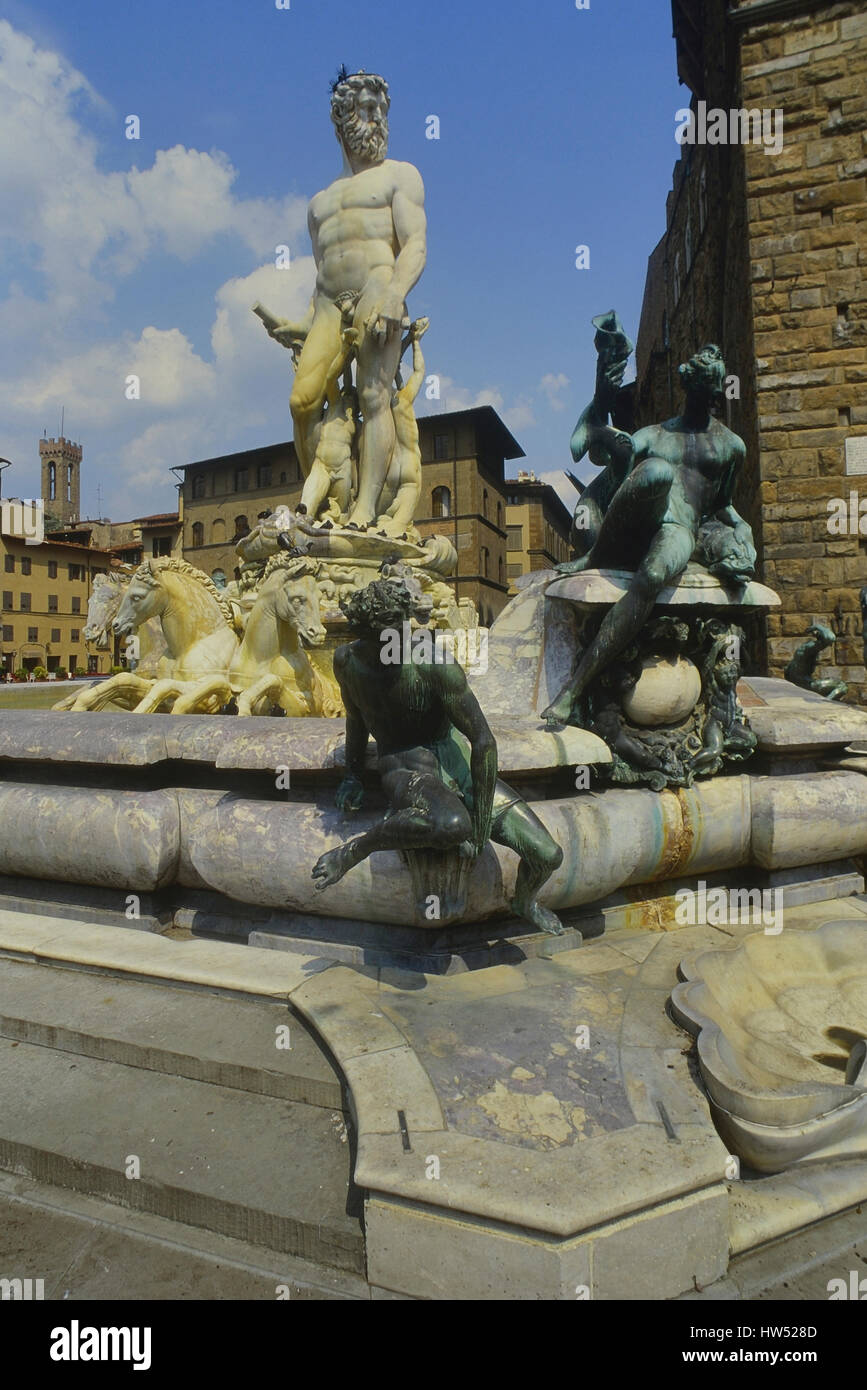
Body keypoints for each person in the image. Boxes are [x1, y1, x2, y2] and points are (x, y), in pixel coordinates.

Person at [312, 579, 564, 934]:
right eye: (383, 638)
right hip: (405, 767)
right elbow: (356, 717)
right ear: (360, 634)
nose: (393, 645)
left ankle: (524, 901)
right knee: (451, 825)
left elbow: (483, 741)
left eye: (399, 634)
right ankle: (352, 852)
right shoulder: (346, 662)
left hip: (455, 762)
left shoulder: (432, 663)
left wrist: (480, 826)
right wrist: (353, 774)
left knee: (547, 855)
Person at [543, 344, 756, 727]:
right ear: (689, 387)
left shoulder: (731, 446)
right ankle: (596, 558)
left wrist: (743, 530)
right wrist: (599, 405)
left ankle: (573, 689)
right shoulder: (654, 435)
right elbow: (601, 459)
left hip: (679, 528)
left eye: (717, 388)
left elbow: (723, 505)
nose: (711, 397)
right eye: (705, 387)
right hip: (639, 523)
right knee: (655, 470)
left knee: (654, 575)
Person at [266, 70, 427, 528]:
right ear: (342, 118)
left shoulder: (401, 176)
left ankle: (365, 508)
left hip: (380, 288)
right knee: (302, 401)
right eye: (366, 109)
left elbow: (415, 244)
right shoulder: (319, 204)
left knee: (375, 396)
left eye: (381, 110)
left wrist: (396, 293)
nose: (376, 119)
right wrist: (298, 324)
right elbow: (322, 276)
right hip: (329, 305)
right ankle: (326, 499)